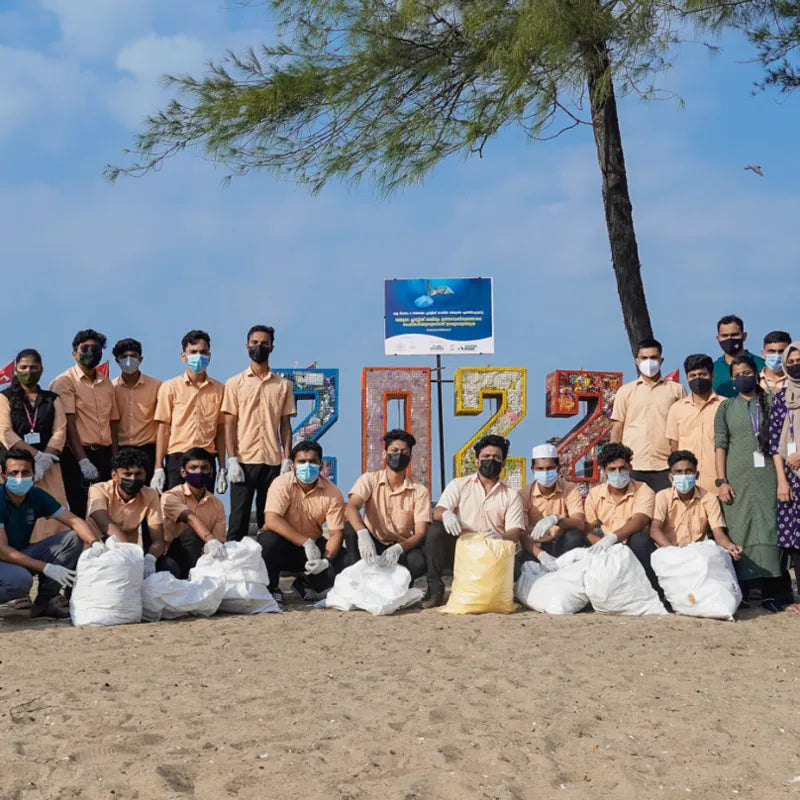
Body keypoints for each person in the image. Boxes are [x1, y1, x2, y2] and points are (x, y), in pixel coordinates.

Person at [714, 353, 785, 610]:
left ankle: (773, 590)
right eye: (736, 376)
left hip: (769, 475)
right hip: (737, 476)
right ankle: (745, 590)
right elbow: (720, 445)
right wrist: (721, 480)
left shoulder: (773, 402)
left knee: (770, 524)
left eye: (746, 373)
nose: (742, 378)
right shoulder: (725, 408)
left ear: (756, 374)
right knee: (739, 525)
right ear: (731, 380)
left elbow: (780, 442)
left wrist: (782, 480)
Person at [423, 435, 525, 609]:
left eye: (496, 458)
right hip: (462, 550)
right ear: (477, 461)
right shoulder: (459, 485)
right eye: (486, 457)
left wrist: (500, 536)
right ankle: (435, 589)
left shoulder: (511, 495)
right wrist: (447, 514)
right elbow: (438, 511)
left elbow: (515, 530)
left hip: (493, 551)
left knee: (515, 571)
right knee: (436, 530)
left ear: (502, 464)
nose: (490, 461)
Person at [0, 449, 100, 619]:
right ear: (3, 476)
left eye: (25, 472)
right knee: (20, 581)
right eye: (13, 473)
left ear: (33, 475)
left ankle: (45, 602)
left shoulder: (36, 496)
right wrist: (46, 567)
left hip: (20, 555)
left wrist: (96, 543)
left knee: (73, 538)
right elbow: (2, 550)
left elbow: (74, 521)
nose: (19, 478)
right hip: (4, 558)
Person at [222, 325, 296, 541]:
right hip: (244, 460)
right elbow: (229, 424)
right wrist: (232, 459)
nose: (259, 347)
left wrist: (286, 459)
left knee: (270, 521)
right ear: (247, 346)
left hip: (272, 461)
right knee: (238, 520)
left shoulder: (283, 385)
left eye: (264, 343)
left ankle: (267, 569)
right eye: (254, 343)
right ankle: (234, 569)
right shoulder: (234, 383)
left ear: (272, 347)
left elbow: (285, 425)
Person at [257, 440, 346, 607]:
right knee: (268, 541)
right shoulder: (281, 483)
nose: (307, 465)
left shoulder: (333, 492)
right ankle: (272, 588)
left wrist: (325, 560)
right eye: (302, 461)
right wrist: (305, 542)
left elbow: (336, 533)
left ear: (321, 465)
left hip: (310, 552)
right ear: (292, 465)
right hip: (282, 545)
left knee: (343, 559)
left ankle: (306, 583)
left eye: (313, 461)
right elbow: (271, 519)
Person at [0, 349, 69, 542]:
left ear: (41, 369)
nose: (28, 371)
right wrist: (35, 457)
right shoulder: (4, 398)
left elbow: (60, 432)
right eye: (23, 367)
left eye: (33, 367)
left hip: (47, 468)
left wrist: (44, 461)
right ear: (15, 369)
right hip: (14, 468)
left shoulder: (52, 399)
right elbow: (5, 432)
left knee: (51, 516)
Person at [50, 328, 120, 518]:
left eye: (96, 348)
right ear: (74, 353)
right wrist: (82, 460)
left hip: (105, 454)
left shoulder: (106, 383)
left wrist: (115, 458)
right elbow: (67, 424)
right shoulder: (65, 382)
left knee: (106, 507)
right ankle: (86, 547)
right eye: (85, 348)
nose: (91, 352)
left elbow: (112, 422)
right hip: (77, 455)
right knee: (82, 507)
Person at [344, 429, 430, 580]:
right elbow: (351, 507)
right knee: (351, 528)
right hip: (372, 542)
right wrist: (363, 534)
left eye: (404, 451)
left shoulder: (420, 490)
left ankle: (398, 581)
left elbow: (420, 533)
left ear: (410, 456)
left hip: (400, 546)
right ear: (384, 454)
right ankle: (357, 580)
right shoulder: (369, 480)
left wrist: (399, 548)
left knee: (418, 562)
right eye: (394, 450)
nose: (399, 455)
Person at [151, 330, 226, 493]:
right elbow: (163, 429)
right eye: (193, 352)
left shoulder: (220, 389)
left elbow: (220, 431)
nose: (198, 356)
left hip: (206, 458)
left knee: (204, 508)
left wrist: (222, 468)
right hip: (178, 457)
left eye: (203, 352)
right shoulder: (169, 387)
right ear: (183, 356)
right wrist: (158, 468)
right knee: (173, 509)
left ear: (210, 355)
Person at [87, 447, 179, 578]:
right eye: (127, 474)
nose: (133, 479)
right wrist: (131, 554)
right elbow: (104, 523)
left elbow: (158, 540)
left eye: (138, 474)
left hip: (131, 556)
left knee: (169, 566)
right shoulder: (98, 489)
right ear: (114, 475)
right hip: (99, 549)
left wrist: (150, 559)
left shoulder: (150, 495)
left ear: (145, 475)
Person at [610, 338, 685, 492]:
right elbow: (617, 429)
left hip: (666, 465)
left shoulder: (677, 390)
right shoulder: (625, 391)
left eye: (653, 358)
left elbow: (684, 427)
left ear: (661, 360)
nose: (649, 362)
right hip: (634, 465)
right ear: (637, 361)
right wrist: (613, 462)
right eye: (644, 358)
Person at [583, 443, 657, 587]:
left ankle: (654, 590)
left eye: (622, 468)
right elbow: (588, 528)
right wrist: (601, 545)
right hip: (605, 547)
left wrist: (612, 538)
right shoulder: (595, 494)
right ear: (604, 471)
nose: (618, 473)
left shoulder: (644, 489)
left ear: (630, 467)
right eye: (612, 469)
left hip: (632, 546)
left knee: (639, 539)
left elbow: (639, 520)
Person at [650, 450, 742, 559]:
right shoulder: (663, 496)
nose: (683, 476)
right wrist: (674, 552)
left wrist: (730, 546)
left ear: (697, 475)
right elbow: (655, 530)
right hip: (670, 552)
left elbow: (719, 534)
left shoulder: (709, 498)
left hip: (699, 554)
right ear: (671, 477)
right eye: (678, 472)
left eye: (688, 471)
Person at [160, 447, 227, 579]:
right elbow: (189, 518)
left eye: (204, 468)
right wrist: (209, 539)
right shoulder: (171, 496)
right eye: (193, 468)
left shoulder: (217, 504)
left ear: (211, 471)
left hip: (202, 556)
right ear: (183, 472)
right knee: (191, 533)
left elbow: (219, 541)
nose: (199, 472)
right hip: (169, 554)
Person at [517, 443, 586, 565]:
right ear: (532, 470)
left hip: (562, 543)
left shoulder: (569, 489)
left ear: (557, 468)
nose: (545, 472)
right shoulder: (524, 494)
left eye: (550, 468)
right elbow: (522, 534)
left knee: (575, 536)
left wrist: (556, 519)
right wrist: (540, 554)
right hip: (535, 547)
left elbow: (580, 523)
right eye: (540, 469)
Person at [769, 342, 800, 609]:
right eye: (790, 361)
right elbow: (774, 444)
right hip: (791, 480)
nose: (794, 364)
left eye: (799, 360)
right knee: (795, 542)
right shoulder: (782, 398)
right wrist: (781, 479)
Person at [665, 354, 723, 495]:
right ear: (687, 378)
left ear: (712, 376)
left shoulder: (724, 405)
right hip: (689, 485)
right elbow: (674, 446)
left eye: (702, 374)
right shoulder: (677, 408)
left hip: (719, 484)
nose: (697, 379)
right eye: (693, 375)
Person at [111, 338, 162, 483]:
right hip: (121, 450)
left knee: (151, 497)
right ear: (117, 360)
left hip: (148, 450)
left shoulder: (157, 386)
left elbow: (162, 425)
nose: (128, 361)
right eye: (123, 357)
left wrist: (159, 464)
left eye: (133, 356)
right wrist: (114, 457)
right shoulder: (110, 388)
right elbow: (112, 424)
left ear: (141, 359)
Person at [713, 315, 765, 398]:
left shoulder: (761, 365)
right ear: (718, 338)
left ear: (744, 336)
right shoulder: (712, 369)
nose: (729, 339)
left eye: (734, 335)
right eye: (724, 336)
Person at [761, 330, 792, 396]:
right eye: (771, 351)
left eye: (781, 352)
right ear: (763, 354)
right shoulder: (755, 380)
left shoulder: (795, 380)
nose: (776, 356)